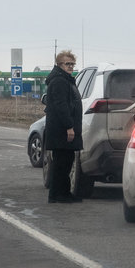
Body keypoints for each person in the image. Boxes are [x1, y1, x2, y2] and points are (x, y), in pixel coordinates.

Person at [44, 50, 83, 203]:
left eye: (72, 64)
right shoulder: (60, 81)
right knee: (62, 163)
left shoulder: (64, 79)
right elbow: (62, 106)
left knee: (65, 161)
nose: (71, 67)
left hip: (62, 129)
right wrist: (69, 126)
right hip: (62, 130)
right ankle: (57, 194)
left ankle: (63, 193)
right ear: (59, 65)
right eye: (67, 64)